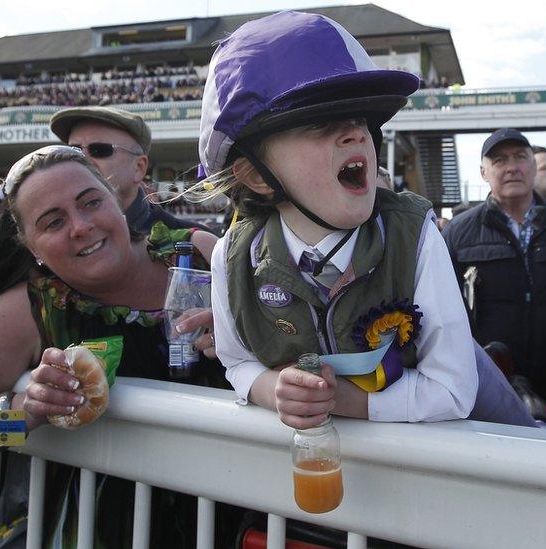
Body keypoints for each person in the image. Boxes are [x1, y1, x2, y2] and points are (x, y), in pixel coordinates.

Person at [0, 146, 226, 546]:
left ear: (117, 201)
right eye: (53, 222)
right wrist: (24, 414)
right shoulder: (30, 309)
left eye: (91, 202)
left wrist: (243, 337)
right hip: (96, 530)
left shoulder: (199, 254)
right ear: (32, 249)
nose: (81, 226)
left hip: (236, 514)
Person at [203, 11, 479, 428]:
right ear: (257, 175)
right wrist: (272, 389)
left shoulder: (415, 232)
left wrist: (336, 400)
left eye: (362, 118)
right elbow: (236, 362)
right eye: (319, 122)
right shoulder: (230, 256)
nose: (356, 134)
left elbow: (453, 391)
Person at [443, 128, 546, 432]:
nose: (511, 167)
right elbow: (442, 317)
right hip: (487, 399)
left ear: (533, 166)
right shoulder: (457, 234)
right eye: (500, 160)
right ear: (483, 172)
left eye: (520, 157)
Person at [48, 106, 209, 233]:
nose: (83, 159)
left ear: (139, 168)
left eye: (99, 150)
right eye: (74, 151)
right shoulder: (49, 241)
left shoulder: (192, 244)